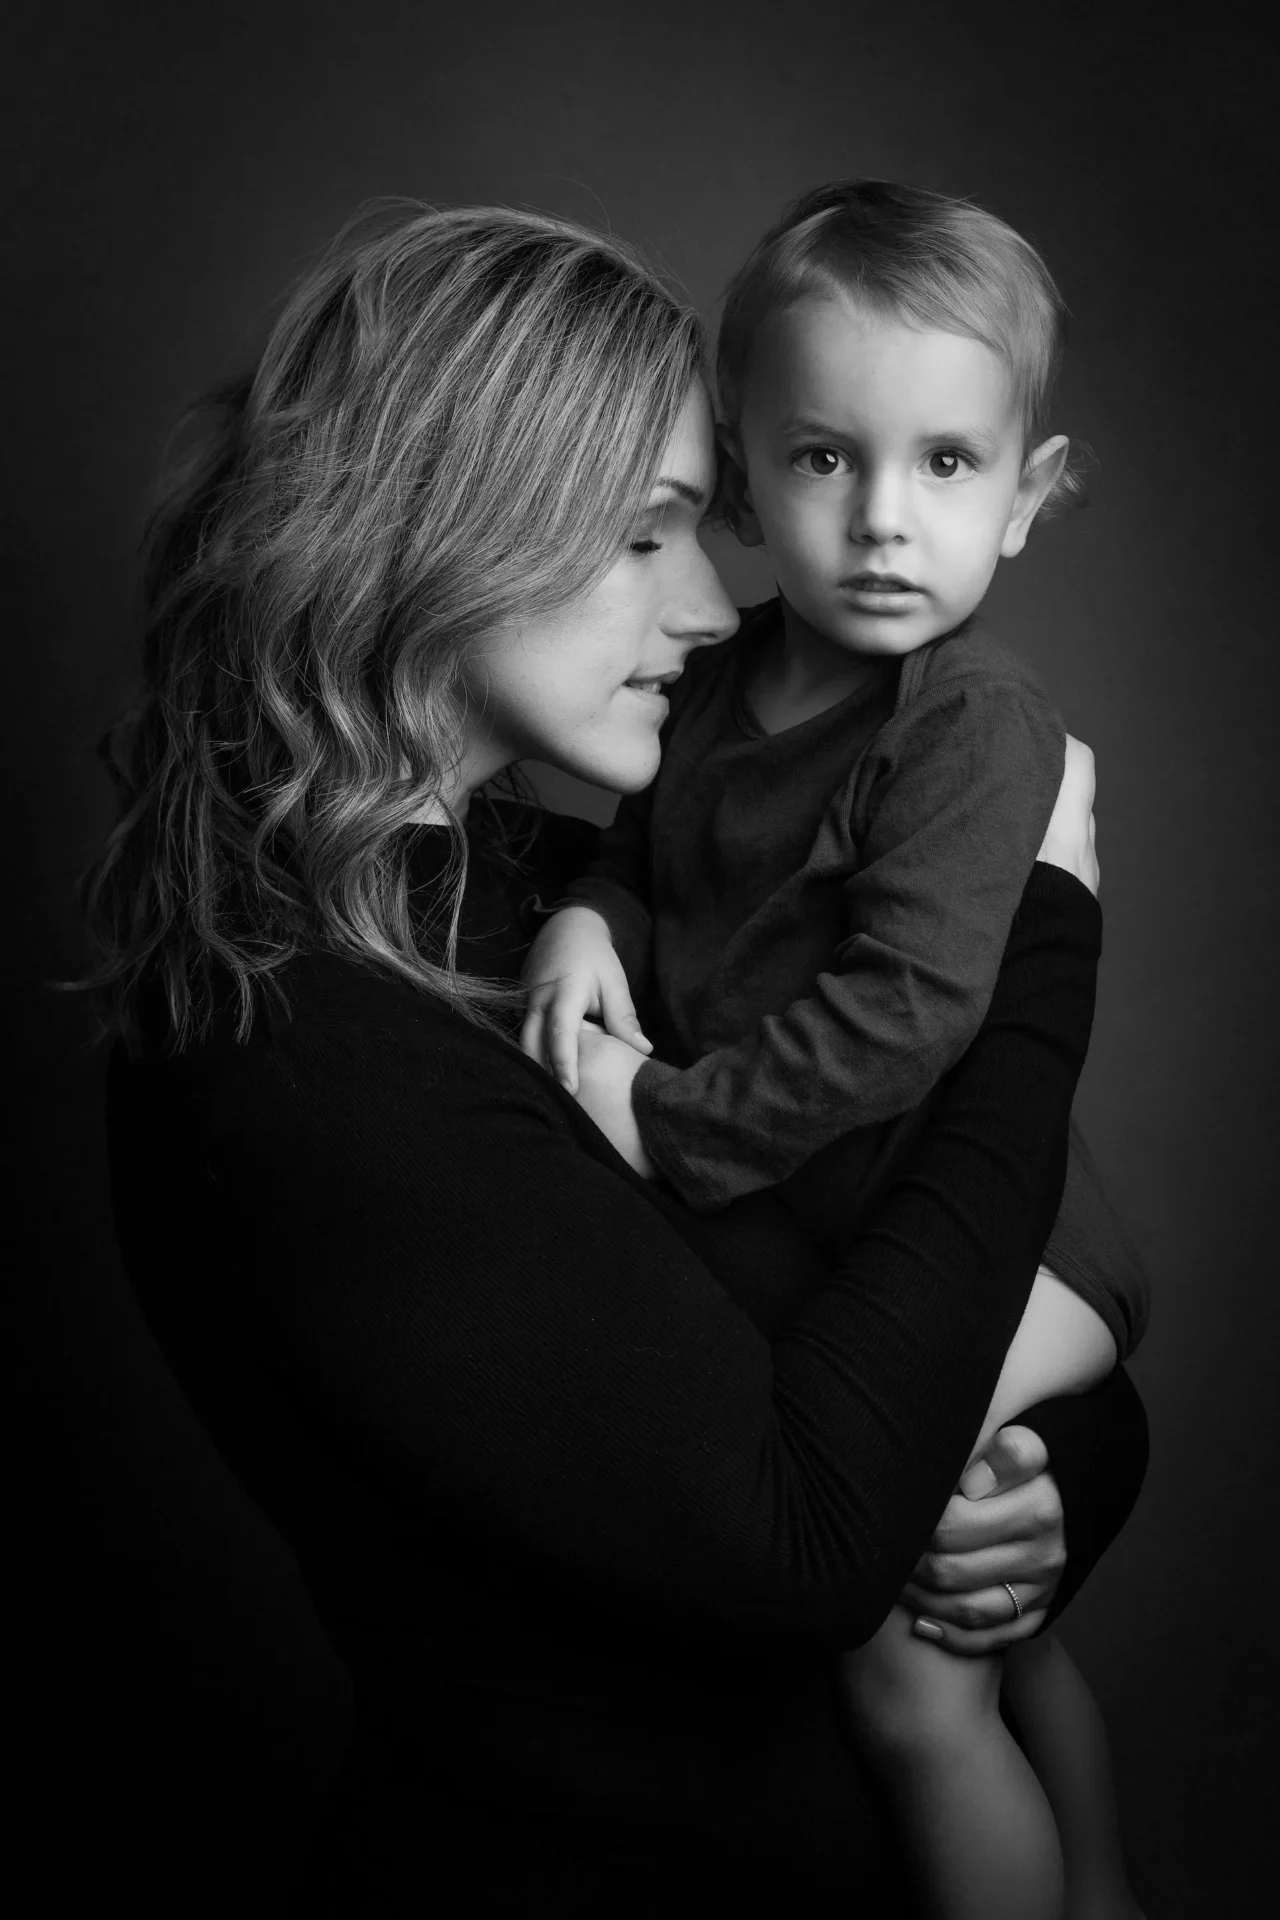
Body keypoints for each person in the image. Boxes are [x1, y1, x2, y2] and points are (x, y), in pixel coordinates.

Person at [83, 202, 1148, 1915]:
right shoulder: (292, 1048)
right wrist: (1043, 941)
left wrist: (1052, 1492)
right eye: (651, 535)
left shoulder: (544, 894)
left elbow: (890, 1325)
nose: (724, 605)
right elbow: (806, 1533)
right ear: (450, 535)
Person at [522, 181, 1147, 1917]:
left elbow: (911, 1015)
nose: (883, 522)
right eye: (824, 460)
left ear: (1026, 497)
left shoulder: (974, 724)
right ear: (739, 470)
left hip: (1015, 1242)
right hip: (854, 1228)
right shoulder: (712, 689)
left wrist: (661, 1124)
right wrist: (590, 916)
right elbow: (641, 857)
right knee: (1003, 1634)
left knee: (911, 1664)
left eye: (947, 465)